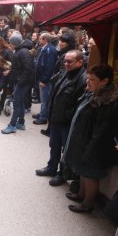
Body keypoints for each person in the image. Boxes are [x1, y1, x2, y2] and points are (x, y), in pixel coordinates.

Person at [63, 64, 118, 213]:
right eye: (88, 78)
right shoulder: (94, 92)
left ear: (104, 81)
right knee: (82, 171)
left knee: (90, 174)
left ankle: (87, 204)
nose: (88, 81)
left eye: (92, 79)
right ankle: (81, 194)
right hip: (85, 141)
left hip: (95, 145)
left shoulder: (109, 102)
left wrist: (90, 150)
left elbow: (101, 131)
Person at [35, 50, 87, 186]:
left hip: (66, 122)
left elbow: (79, 104)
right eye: (65, 60)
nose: (65, 63)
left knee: (66, 150)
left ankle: (62, 174)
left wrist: (66, 117)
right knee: (54, 145)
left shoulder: (82, 79)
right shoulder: (65, 72)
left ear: (80, 62)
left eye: (69, 61)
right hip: (56, 119)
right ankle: (51, 167)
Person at [1, 33, 35, 134]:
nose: (9, 44)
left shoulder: (22, 52)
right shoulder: (21, 51)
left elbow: (28, 69)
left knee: (16, 102)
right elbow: (20, 68)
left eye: (10, 43)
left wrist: (20, 81)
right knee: (20, 102)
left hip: (22, 82)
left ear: (14, 43)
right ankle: (21, 123)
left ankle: (12, 125)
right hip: (21, 81)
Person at [32, 33, 57, 125]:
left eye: (40, 39)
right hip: (41, 78)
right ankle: (42, 113)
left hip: (45, 80)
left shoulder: (50, 50)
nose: (39, 40)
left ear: (45, 40)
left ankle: (43, 117)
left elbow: (49, 67)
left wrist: (44, 80)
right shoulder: (45, 48)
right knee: (43, 98)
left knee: (45, 99)